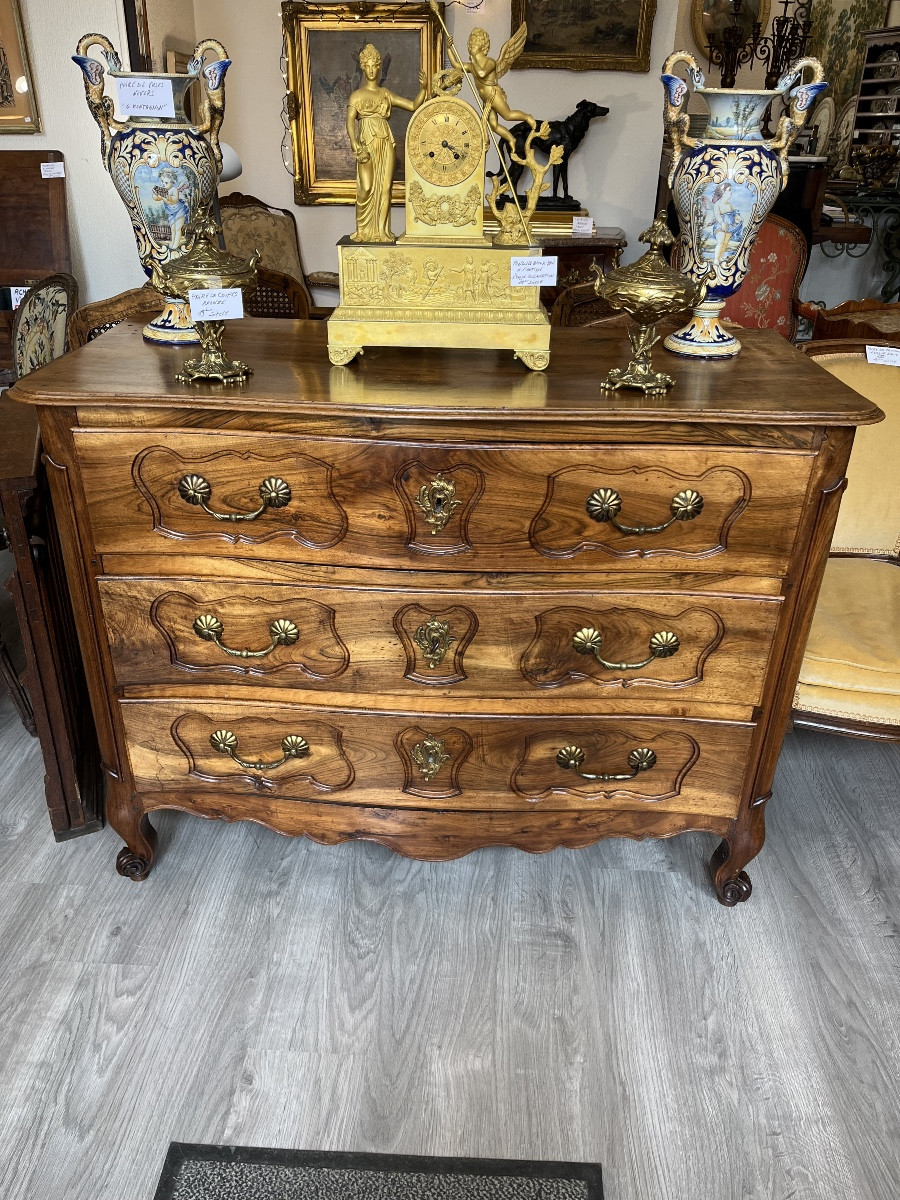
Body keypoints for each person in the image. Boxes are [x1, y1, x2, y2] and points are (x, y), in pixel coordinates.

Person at [346, 44, 425, 243]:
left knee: (385, 188)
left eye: (375, 66)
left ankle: (382, 232)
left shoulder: (386, 93)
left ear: (379, 67)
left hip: (385, 142)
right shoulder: (356, 96)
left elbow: (413, 105)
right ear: (363, 67)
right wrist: (355, 145)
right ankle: (363, 231)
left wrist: (424, 89)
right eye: (368, 66)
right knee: (366, 188)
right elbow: (349, 122)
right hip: (366, 144)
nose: (372, 70)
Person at [152, 167, 190, 249]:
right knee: (172, 229)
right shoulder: (164, 191)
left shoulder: (173, 190)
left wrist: (168, 197)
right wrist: (155, 194)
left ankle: (176, 244)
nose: (163, 184)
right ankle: (173, 242)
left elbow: (174, 200)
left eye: (166, 182)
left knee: (177, 228)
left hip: (179, 211)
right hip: (172, 213)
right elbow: (157, 198)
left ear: (172, 182)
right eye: (162, 182)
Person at [709, 181, 742, 263]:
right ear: (723, 192)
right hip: (720, 226)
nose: (731, 192)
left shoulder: (729, 205)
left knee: (725, 243)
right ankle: (716, 259)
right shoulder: (718, 204)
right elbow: (717, 215)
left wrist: (737, 216)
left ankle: (720, 257)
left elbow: (734, 213)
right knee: (720, 242)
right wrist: (722, 223)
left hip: (729, 227)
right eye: (729, 190)